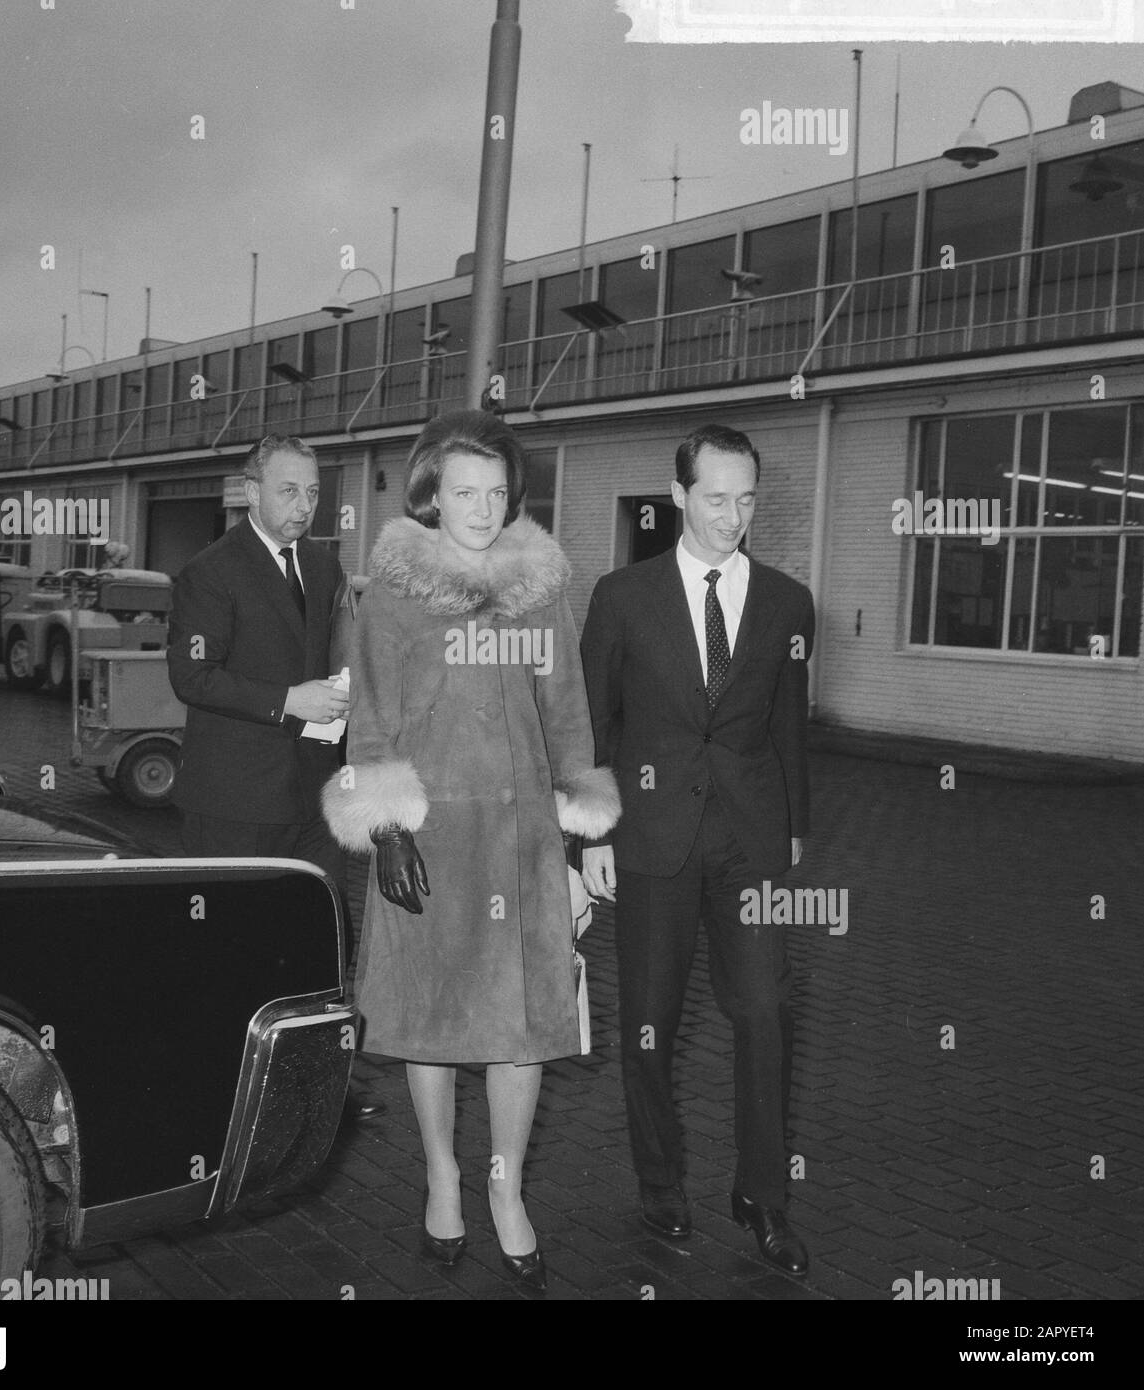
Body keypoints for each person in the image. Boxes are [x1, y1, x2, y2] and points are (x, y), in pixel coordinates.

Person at [322, 410, 619, 1293]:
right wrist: (384, 825)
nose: (482, 508)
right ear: (430, 495)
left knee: (523, 1028)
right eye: (463, 492)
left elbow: (568, 718)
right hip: (431, 837)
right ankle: (442, 1177)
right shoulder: (392, 595)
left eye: (495, 492)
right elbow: (369, 722)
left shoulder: (542, 585)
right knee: (432, 1020)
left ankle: (506, 1188)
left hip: (522, 838)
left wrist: (583, 835)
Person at [579, 422, 814, 1276]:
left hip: (748, 843)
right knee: (650, 1024)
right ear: (675, 496)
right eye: (714, 498)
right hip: (648, 836)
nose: (731, 515)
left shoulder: (788, 601)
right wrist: (592, 833)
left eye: (746, 498)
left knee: (762, 1013)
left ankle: (763, 1195)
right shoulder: (621, 596)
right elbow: (593, 722)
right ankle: (658, 1178)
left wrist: (791, 835)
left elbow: (789, 724)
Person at [166, 433, 381, 1121]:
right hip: (234, 798)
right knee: (229, 946)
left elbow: (338, 657)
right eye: (288, 491)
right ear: (250, 491)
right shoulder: (210, 571)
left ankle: (319, 1079)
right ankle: (218, 1083)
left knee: (319, 938)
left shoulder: (323, 569)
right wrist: (287, 700)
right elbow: (191, 675)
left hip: (313, 797)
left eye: (313, 493)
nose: (303, 506)